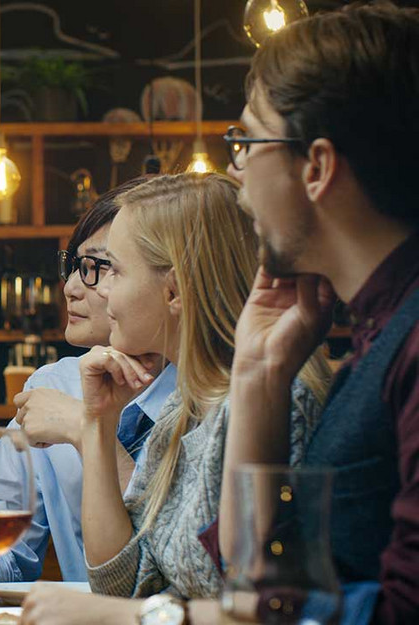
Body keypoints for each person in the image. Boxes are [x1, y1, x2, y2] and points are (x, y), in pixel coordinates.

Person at [17, 173, 331, 624]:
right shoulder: (184, 408)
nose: (98, 290)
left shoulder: (280, 399)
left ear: (175, 291)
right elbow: (122, 582)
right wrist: (97, 423)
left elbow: (263, 607)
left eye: (115, 271)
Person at [219, 3, 419, 622]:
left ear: (318, 167)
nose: (236, 168)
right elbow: (258, 569)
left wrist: (160, 618)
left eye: (249, 140)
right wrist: (258, 372)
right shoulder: (375, 329)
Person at [0, 177, 177, 597]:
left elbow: (171, 562)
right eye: (74, 266)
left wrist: (86, 430)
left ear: (171, 283)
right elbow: (2, 541)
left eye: (99, 268)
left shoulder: (208, 396)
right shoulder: (54, 385)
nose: (71, 288)